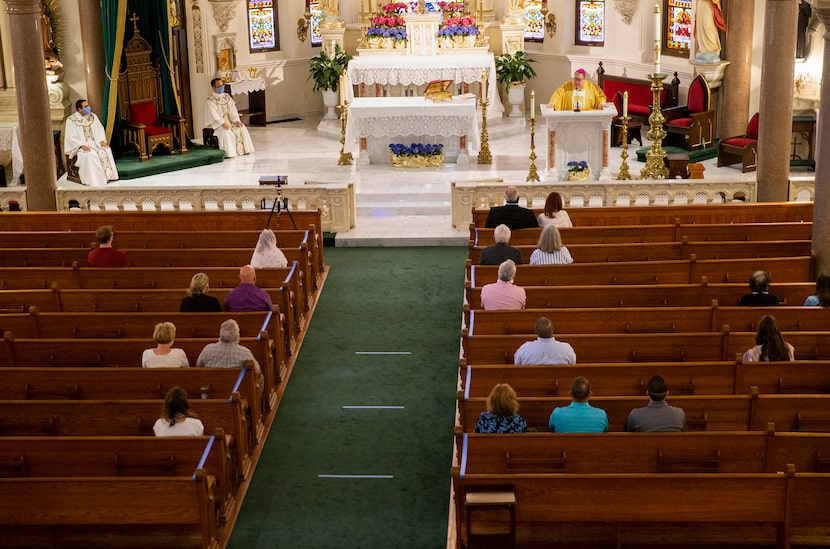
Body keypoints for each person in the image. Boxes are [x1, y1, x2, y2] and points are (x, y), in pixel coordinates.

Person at [63, 99, 119, 187]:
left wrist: (102, 141)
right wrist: (81, 145)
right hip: (82, 145)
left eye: (88, 106)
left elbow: (100, 129)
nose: (88, 108)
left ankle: (109, 176)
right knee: (90, 154)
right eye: (85, 107)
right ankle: (95, 179)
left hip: (95, 143)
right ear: (79, 109)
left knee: (106, 150)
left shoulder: (93, 116)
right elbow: (71, 136)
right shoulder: (71, 120)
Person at [196, 319, 264, 388]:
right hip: (238, 393)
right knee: (261, 378)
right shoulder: (245, 353)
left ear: (220, 334)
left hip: (211, 392)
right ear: (237, 337)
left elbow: (198, 367)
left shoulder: (207, 349)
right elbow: (257, 371)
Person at [205, 78, 255, 158]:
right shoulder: (210, 101)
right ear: (214, 88)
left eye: (222, 86)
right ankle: (231, 153)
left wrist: (236, 120)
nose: (221, 88)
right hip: (219, 124)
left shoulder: (227, 97)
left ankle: (246, 150)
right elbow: (213, 115)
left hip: (230, 121)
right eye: (219, 86)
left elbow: (233, 110)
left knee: (242, 127)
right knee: (226, 132)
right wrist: (222, 123)